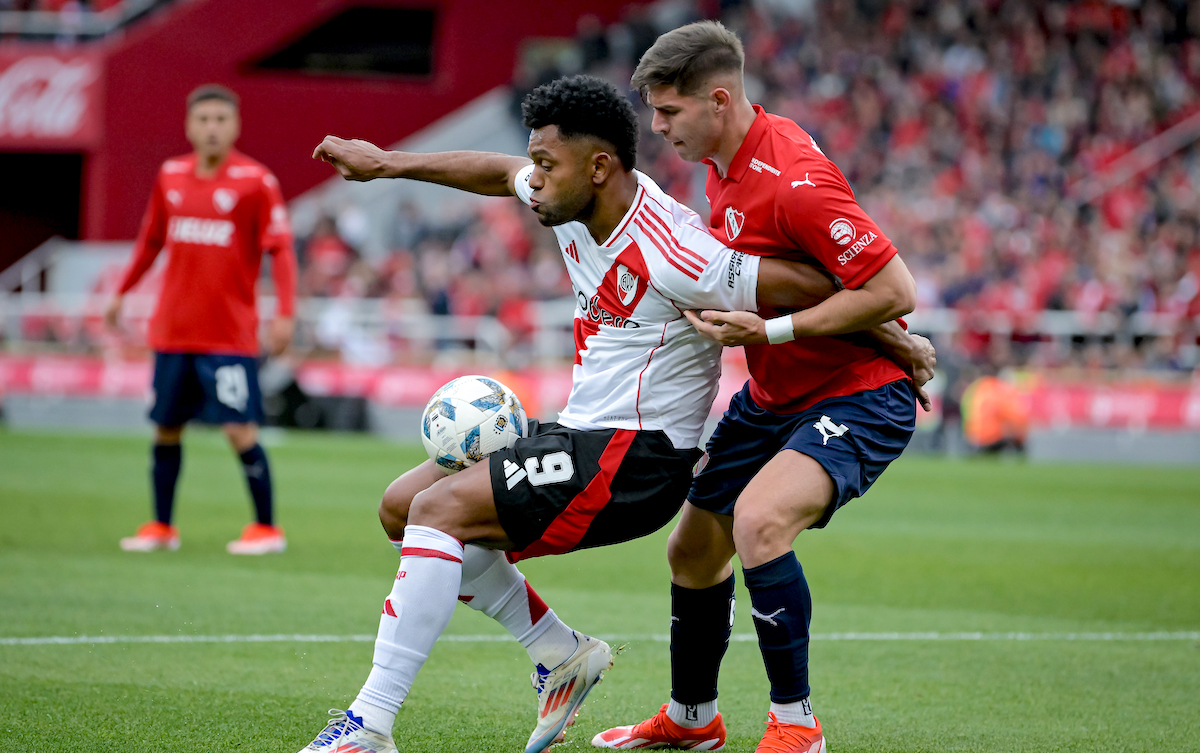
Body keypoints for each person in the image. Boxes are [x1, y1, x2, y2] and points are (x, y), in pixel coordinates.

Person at [301, 75, 933, 753]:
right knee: (402, 504)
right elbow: (497, 172)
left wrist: (894, 337)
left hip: (633, 457)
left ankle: (368, 726)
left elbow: (816, 280)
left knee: (437, 514)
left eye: (546, 167)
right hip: (580, 433)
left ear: (599, 167)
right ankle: (561, 652)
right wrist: (389, 163)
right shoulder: (566, 198)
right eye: (535, 164)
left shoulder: (679, 250)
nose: (532, 182)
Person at [593, 21, 928, 753]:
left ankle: (797, 725)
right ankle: (691, 719)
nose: (657, 127)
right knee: (692, 549)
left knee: (759, 522)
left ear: (718, 100)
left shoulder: (796, 180)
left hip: (858, 393)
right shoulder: (724, 165)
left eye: (669, 112)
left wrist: (772, 334)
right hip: (777, 396)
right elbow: (816, 281)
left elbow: (894, 286)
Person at [106, 84, 297, 556]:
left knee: (239, 430)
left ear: (235, 125)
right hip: (172, 331)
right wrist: (121, 292)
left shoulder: (256, 181)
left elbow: (282, 251)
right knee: (166, 427)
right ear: (189, 125)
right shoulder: (169, 175)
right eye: (204, 119)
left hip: (228, 337)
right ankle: (161, 526)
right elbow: (150, 242)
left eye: (221, 119)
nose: (212, 128)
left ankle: (266, 529)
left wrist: (285, 313)